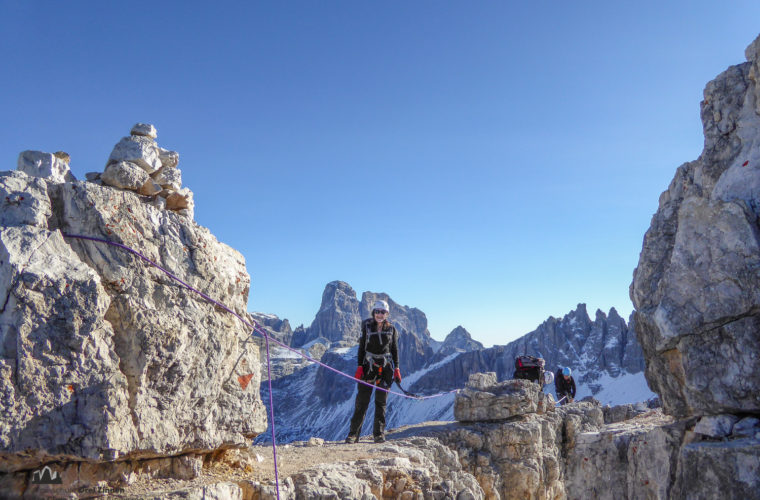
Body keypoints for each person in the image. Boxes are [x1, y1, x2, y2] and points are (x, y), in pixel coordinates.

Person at [345, 300, 401, 444]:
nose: (380, 315)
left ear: (387, 314)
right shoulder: (367, 327)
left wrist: (397, 368)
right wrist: (359, 366)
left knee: (381, 403)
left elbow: (394, 349)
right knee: (362, 402)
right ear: (373, 313)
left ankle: (378, 434)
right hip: (368, 367)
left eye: (383, 312)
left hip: (386, 368)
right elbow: (362, 347)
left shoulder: (392, 329)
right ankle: (353, 435)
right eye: (377, 311)